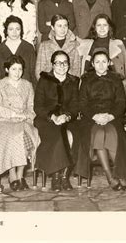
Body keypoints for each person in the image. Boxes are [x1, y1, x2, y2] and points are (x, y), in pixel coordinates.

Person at [75, 50, 126, 190]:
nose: (101, 65)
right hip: (91, 118)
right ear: (93, 64)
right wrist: (94, 116)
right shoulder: (86, 80)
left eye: (104, 61)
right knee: (99, 134)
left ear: (109, 63)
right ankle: (110, 176)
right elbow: (82, 103)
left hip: (112, 117)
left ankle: (121, 175)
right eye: (97, 62)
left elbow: (121, 102)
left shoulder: (116, 80)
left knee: (111, 134)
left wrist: (110, 116)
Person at [0, 55, 40, 191]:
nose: (17, 73)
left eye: (20, 69)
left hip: (23, 119)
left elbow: (32, 107)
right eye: (13, 69)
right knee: (11, 137)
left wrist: (25, 116)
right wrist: (13, 114)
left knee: (25, 136)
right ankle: (12, 175)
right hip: (4, 120)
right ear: (7, 69)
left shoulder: (27, 85)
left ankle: (20, 174)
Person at [34, 50, 80, 191]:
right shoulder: (44, 80)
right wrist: (53, 117)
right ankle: (55, 176)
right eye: (58, 63)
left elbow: (75, 105)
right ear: (52, 65)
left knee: (78, 135)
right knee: (57, 135)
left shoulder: (73, 81)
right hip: (46, 118)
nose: (62, 66)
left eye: (65, 63)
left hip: (67, 118)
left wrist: (66, 116)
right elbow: (38, 106)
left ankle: (65, 176)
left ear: (69, 65)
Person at [78, 14, 126, 96]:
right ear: (94, 27)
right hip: (90, 89)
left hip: (114, 88)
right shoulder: (85, 44)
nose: (102, 28)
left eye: (105, 25)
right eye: (99, 25)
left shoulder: (118, 44)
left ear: (109, 27)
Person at [0, 16, 36, 85]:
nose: (14, 32)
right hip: (5, 90)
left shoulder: (29, 48)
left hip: (25, 89)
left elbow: (33, 73)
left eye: (17, 29)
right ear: (6, 31)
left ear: (21, 30)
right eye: (11, 29)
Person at [35, 14, 81, 80]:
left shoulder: (75, 45)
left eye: (65, 25)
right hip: (49, 84)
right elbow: (39, 70)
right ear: (52, 27)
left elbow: (77, 70)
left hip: (69, 84)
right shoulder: (44, 45)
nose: (63, 29)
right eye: (59, 26)